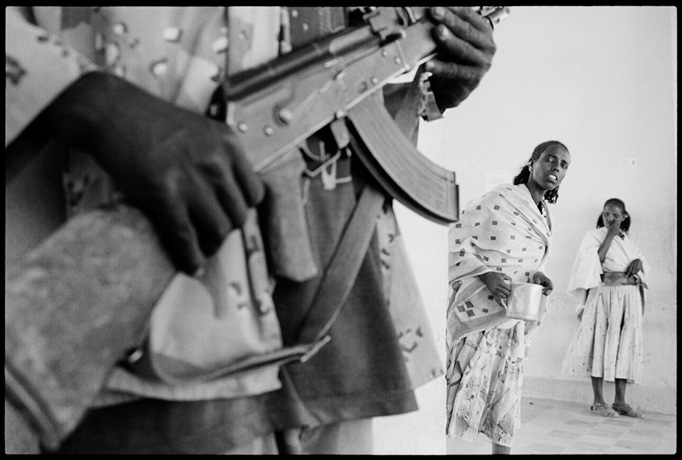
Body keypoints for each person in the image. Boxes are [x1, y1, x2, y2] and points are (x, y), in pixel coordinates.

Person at [6, 6, 498, 454]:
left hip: (335, 298)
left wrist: (427, 89)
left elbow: (331, 97)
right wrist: (87, 100)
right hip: (175, 318)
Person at [446, 140, 570, 455]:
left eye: (563, 164)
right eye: (550, 159)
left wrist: (539, 275)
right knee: (457, 384)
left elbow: (530, 261)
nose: (556, 167)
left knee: (507, 391)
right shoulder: (499, 198)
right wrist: (485, 274)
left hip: (513, 314)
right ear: (532, 162)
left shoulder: (545, 215)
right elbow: (456, 236)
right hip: (481, 310)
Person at [562, 198, 649, 418]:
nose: (610, 218)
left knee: (625, 344)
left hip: (629, 297)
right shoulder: (594, 236)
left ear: (624, 217)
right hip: (604, 294)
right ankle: (598, 401)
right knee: (599, 342)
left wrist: (639, 262)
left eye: (615, 216)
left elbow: (642, 263)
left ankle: (620, 401)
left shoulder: (628, 239)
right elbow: (593, 263)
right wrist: (609, 235)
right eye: (606, 214)